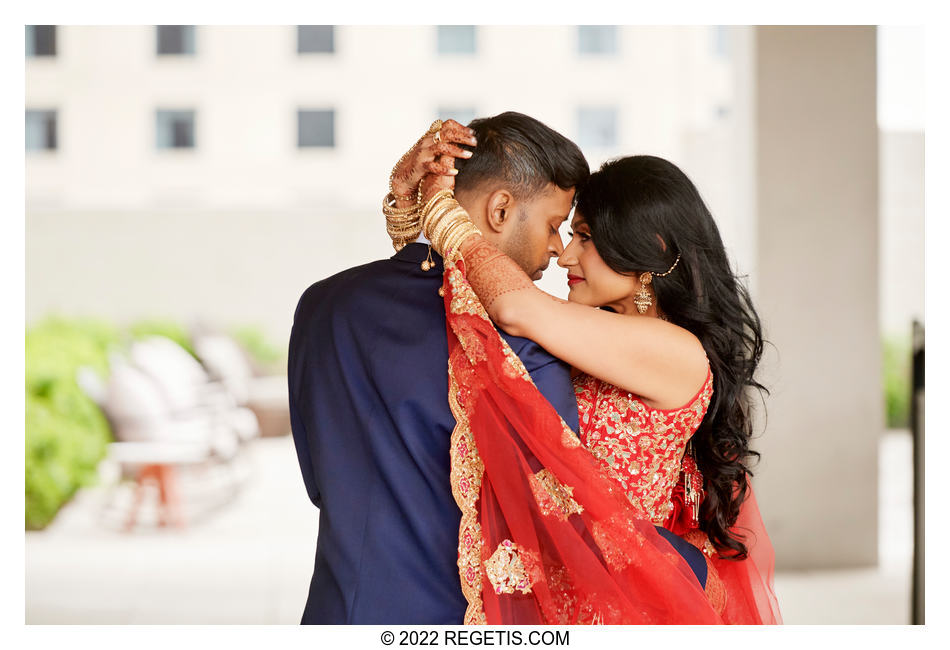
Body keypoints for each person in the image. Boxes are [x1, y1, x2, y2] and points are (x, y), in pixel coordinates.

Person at [388, 125, 782, 624]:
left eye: (585, 237)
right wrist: (406, 209)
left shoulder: (676, 351)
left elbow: (512, 307)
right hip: (559, 596)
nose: (565, 254)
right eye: (569, 232)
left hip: (625, 605)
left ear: (651, 249)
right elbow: (467, 319)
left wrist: (443, 207)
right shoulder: (593, 336)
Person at [289, 113, 595, 624]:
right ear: (500, 210)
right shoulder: (523, 342)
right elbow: (560, 519)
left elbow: (320, 481)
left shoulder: (323, 305)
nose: (559, 248)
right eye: (554, 225)